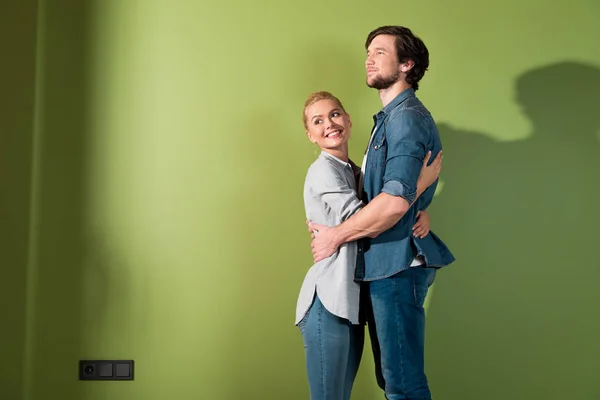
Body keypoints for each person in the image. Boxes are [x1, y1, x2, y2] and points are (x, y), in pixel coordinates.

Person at [308, 26, 455, 399]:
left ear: (407, 64)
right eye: (368, 52)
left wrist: (335, 236)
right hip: (386, 264)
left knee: (402, 385)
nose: (369, 58)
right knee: (394, 381)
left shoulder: (405, 119)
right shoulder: (388, 119)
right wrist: (416, 200)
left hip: (396, 264)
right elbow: (393, 199)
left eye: (380, 52)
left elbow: (391, 203)